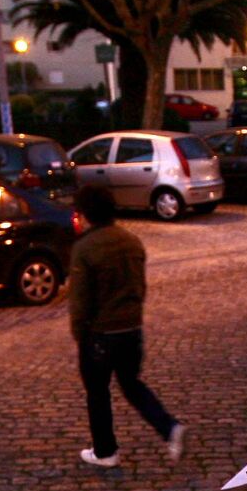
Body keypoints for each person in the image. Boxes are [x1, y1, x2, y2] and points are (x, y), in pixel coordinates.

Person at [66, 184, 185, 467]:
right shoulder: (132, 241)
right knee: (131, 384)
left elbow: (79, 301)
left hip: (100, 335)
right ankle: (169, 428)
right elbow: (139, 288)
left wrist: (79, 334)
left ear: (85, 213)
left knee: (97, 392)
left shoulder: (84, 247)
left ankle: (105, 451)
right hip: (131, 329)